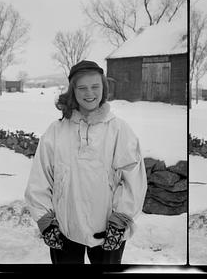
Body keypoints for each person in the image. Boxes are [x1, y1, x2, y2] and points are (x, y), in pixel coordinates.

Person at [24, 60, 147, 264]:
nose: (89, 93)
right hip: (64, 230)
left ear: (103, 88)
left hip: (108, 231)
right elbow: (40, 178)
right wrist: (46, 222)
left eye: (95, 86)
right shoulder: (56, 131)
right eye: (82, 87)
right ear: (73, 91)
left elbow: (134, 178)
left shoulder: (118, 130)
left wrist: (120, 221)